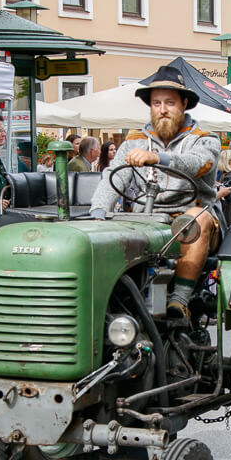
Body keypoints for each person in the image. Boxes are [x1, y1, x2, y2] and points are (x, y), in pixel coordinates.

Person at [89, 65, 221, 320]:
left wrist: (157, 158)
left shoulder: (205, 139)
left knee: (195, 217)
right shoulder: (134, 140)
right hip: (143, 222)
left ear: (184, 104)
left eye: (170, 103)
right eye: (156, 103)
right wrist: (97, 212)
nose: (162, 109)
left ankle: (179, 300)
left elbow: (198, 163)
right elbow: (112, 176)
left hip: (190, 221)